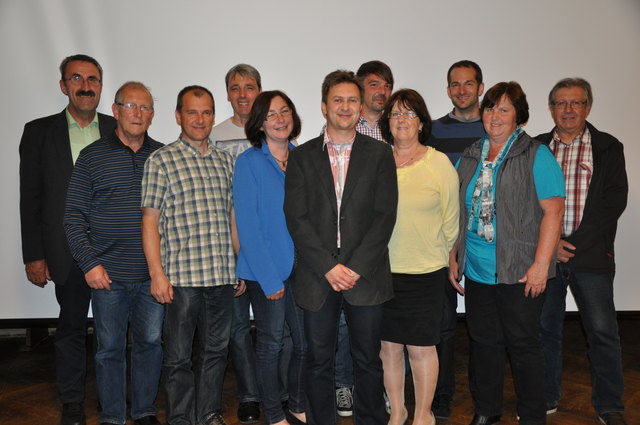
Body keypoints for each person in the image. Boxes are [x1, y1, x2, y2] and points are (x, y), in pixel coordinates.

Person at [284, 70, 398, 425]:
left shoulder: (380, 154)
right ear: (324, 106)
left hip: (366, 274)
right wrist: (328, 267)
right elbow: (296, 217)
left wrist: (355, 266)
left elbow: (385, 216)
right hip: (318, 276)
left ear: (361, 107)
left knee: (367, 359)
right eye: (338, 100)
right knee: (318, 359)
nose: (345, 107)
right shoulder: (301, 157)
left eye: (352, 100)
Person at [449, 81, 565, 425]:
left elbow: (553, 212)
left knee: (523, 345)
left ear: (519, 117)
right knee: (484, 343)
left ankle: (532, 415)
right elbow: (459, 210)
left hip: (521, 269)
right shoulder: (472, 154)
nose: (494, 116)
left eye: (503, 109)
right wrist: (454, 256)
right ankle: (486, 411)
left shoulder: (535, 154)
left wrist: (542, 265)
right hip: (480, 269)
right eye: (489, 108)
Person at [19, 54, 116, 425]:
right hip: (65, 252)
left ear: (101, 86)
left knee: (113, 333)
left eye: (92, 79)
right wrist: (34, 255)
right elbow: (31, 198)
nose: (85, 85)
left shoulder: (116, 128)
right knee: (72, 328)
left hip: (113, 253)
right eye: (76, 78)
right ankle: (72, 402)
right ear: (63, 85)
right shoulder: (38, 132)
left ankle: (113, 402)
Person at [64, 82, 164, 425]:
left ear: (153, 114)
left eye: (145, 108)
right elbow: (73, 216)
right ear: (116, 110)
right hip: (107, 277)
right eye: (131, 106)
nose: (138, 114)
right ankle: (112, 417)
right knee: (109, 351)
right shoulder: (91, 157)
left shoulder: (163, 156)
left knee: (151, 345)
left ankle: (145, 411)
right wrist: (89, 264)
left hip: (153, 276)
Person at [141, 85, 239, 425]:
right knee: (179, 357)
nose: (200, 119)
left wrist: (239, 263)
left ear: (214, 115)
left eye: (207, 111)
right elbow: (150, 220)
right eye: (193, 112)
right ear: (179, 116)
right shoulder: (161, 160)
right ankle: (181, 418)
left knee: (216, 352)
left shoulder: (226, 161)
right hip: (181, 279)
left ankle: (209, 413)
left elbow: (232, 216)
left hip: (221, 276)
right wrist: (156, 273)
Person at [538, 78, 629, 425]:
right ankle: (545, 397)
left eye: (575, 103)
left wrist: (571, 243)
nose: (568, 110)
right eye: (561, 103)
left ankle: (610, 405)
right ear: (551, 109)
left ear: (587, 107)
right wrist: (549, 243)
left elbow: (613, 202)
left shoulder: (607, 147)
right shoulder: (536, 147)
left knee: (602, 332)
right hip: (544, 257)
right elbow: (524, 203)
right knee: (544, 330)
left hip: (591, 257)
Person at [378, 89, 459, 425]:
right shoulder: (377, 162)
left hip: (426, 273)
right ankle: (398, 411)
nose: (402, 120)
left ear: (422, 122)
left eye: (409, 114)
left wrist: (441, 258)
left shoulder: (438, 163)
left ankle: (424, 414)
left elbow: (451, 222)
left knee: (422, 348)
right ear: (386, 122)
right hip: (383, 273)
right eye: (395, 114)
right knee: (389, 349)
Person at [234, 90, 307, 425]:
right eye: (271, 114)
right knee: (272, 344)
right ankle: (274, 413)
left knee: (303, 343)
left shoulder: (304, 158)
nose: (280, 119)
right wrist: (268, 278)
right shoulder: (248, 162)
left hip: (302, 270)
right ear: (260, 123)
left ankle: (296, 403)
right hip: (266, 271)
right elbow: (247, 226)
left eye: (285, 111)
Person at [333, 59, 395, 418]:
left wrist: (359, 262)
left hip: (377, 252)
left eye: (386, 85)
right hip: (338, 254)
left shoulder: (394, 131)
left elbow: (385, 211)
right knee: (342, 331)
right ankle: (344, 385)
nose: (381, 92)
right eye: (373, 84)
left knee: (375, 335)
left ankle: (379, 395)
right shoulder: (336, 138)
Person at [427, 60, 485, 419]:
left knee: (482, 327)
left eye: (468, 83)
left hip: (482, 240)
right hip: (442, 240)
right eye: (455, 84)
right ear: (448, 89)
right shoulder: (433, 131)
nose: (461, 90)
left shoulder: (495, 126)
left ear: (480, 86)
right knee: (443, 325)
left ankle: (483, 397)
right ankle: (441, 394)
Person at [211, 63, 263, 424]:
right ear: (227, 93)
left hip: (268, 247)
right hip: (227, 248)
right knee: (237, 328)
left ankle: (279, 390)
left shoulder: (272, 128)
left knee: (278, 329)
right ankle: (249, 395)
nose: (242, 94)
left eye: (249, 87)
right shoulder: (212, 135)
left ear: (259, 90)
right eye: (235, 87)